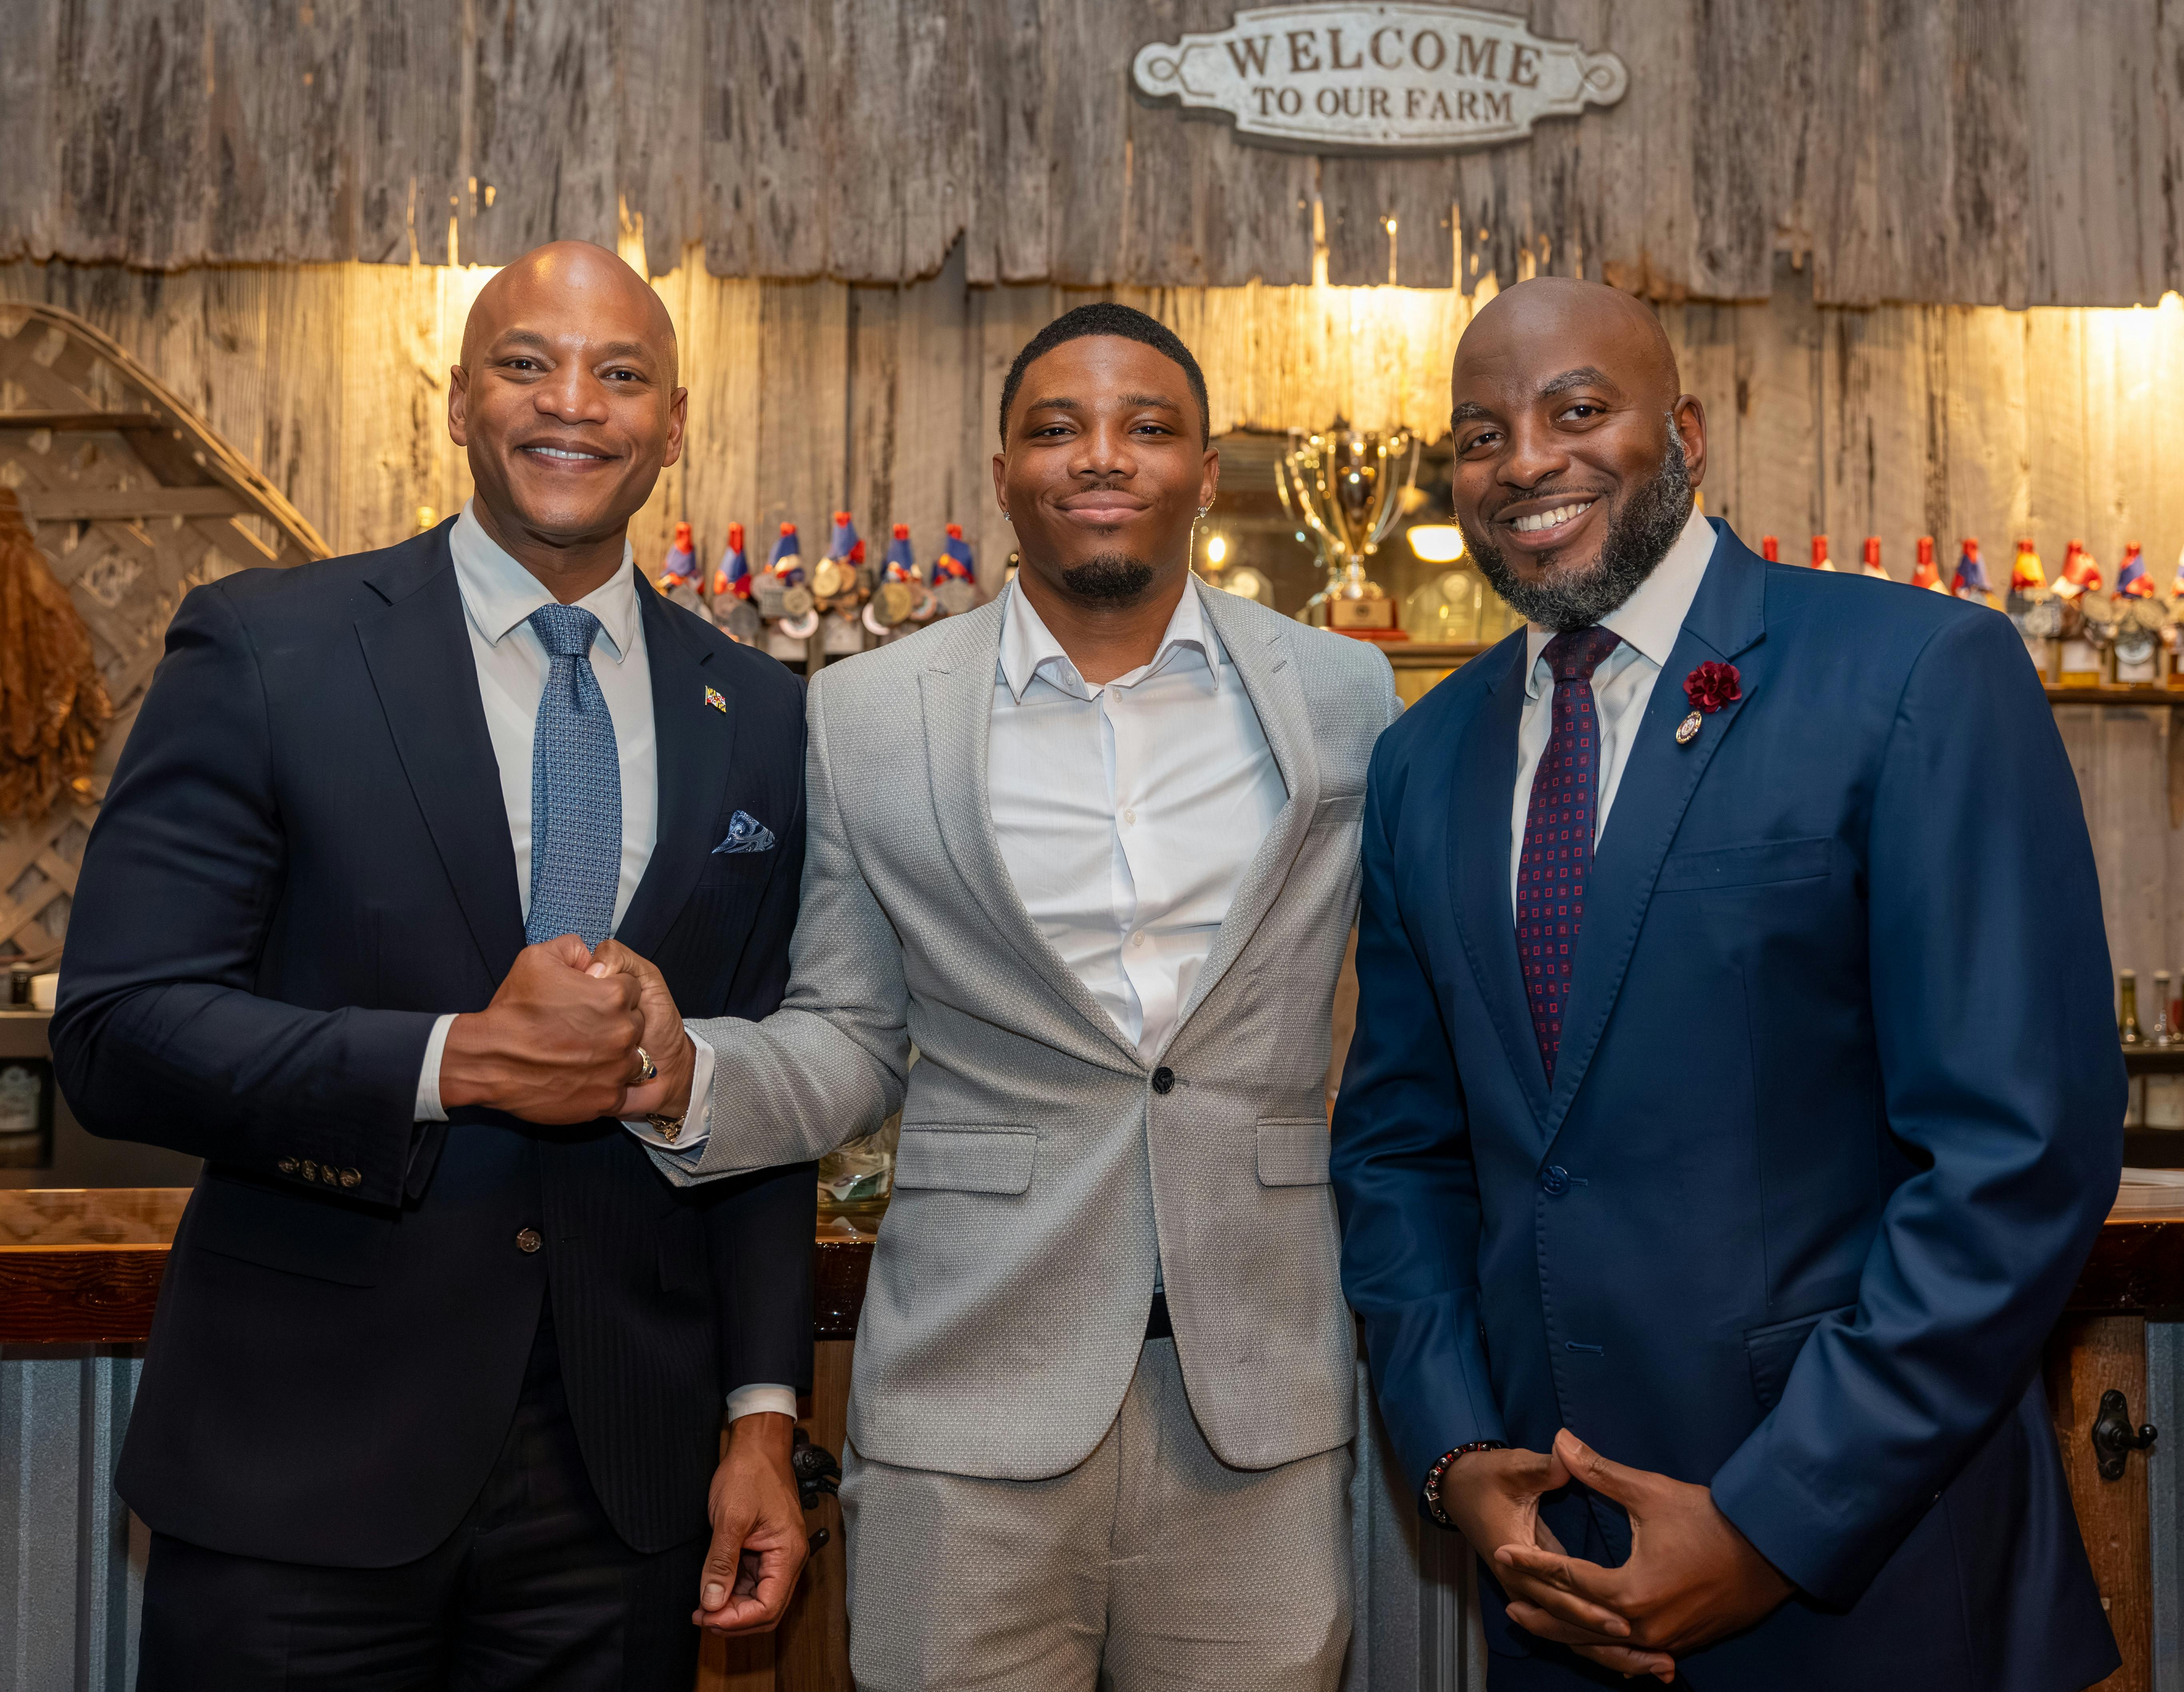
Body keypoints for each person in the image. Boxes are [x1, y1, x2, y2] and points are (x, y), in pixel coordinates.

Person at [1329, 275, 2124, 1688]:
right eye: (1481, 435)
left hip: (1873, 1577)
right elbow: (1402, 1150)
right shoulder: (1422, 759)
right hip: (1560, 1588)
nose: (1526, 461)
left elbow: (2016, 1157)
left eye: (1579, 410)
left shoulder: (1916, 673)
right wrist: (1458, 1456)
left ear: (1685, 434)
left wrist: (1773, 1521)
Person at [52, 241, 815, 1690]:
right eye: (527, 364)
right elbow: (118, 1029)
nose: (572, 402)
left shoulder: (760, 711)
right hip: (303, 1458)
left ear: (672, 425)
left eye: (621, 374)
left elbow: (755, 1087)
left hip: (622, 1485)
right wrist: (450, 1061)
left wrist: (762, 1416)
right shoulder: (269, 647)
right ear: (459, 402)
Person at [603, 302, 1397, 1690]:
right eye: (1057, 428)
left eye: (1149, 428)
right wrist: (689, 1078)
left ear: (1208, 473)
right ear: (1004, 473)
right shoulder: (867, 712)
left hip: (1262, 1394)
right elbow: (852, 1035)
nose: (1103, 457)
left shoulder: (1344, 693)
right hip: (969, 1396)